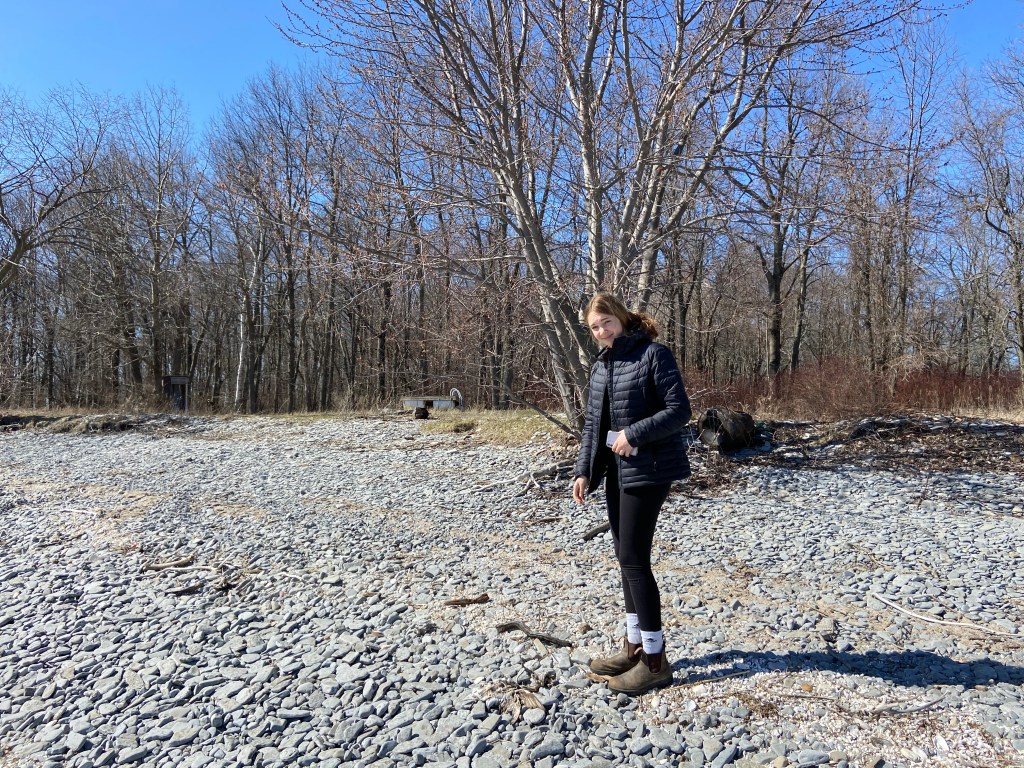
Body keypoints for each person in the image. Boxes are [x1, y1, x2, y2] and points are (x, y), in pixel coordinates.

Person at [572, 292, 692, 695]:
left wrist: (633, 435)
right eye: (594, 327)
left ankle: (655, 662)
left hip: (649, 469)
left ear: (621, 318)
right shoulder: (602, 365)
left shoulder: (654, 355)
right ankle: (634, 648)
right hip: (616, 473)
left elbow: (679, 411)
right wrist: (583, 471)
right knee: (625, 558)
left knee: (634, 560)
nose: (601, 331)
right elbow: (593, 425)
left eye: (606, 322)